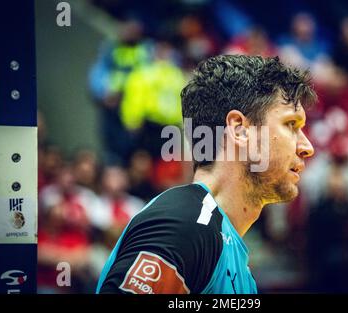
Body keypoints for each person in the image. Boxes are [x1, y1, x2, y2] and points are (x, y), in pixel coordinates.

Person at [96, 55, 316, 294]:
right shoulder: (185, 224)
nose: (307, 147)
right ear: (240, 130)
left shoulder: (226, 247)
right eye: (291, 125)